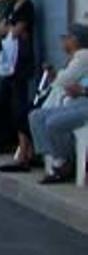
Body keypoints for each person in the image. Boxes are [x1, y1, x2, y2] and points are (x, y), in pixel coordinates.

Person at [26, 23, 88, 184]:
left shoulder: (83, 56)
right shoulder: (77, 57)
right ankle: (58, 158)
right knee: (36, 116)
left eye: (66, 37)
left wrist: (81, 91)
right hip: (76, 100)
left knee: (54, 122)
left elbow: (64, 80)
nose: (63, 41)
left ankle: (64, 160)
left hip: (84, 102)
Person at [0, 0, 39, 173]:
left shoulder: (26, 7)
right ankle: (23, 149)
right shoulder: (14, 6)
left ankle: (24, 152)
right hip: (11, 60)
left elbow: (14, 31)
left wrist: (7, 29)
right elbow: (1, 28)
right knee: (13, 103)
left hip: (20, 60)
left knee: (19, 105)